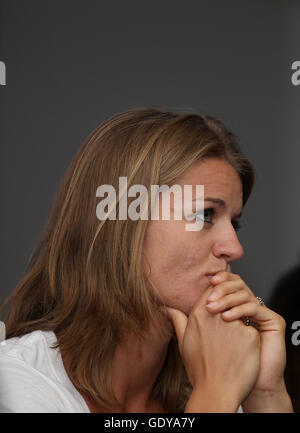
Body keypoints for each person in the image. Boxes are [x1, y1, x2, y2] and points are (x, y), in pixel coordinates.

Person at [0, 106, 293, 413]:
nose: (234, 248)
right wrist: (215, 394)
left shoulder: (218, 384)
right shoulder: (16, 384)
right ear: (123, 223)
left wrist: (265, 395)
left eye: (234, 223)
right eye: (205, 214)